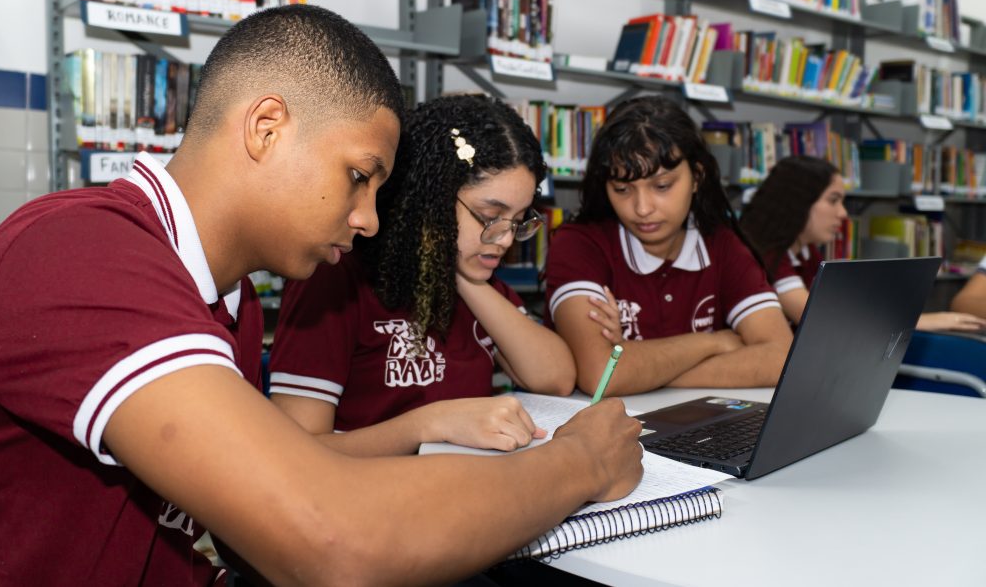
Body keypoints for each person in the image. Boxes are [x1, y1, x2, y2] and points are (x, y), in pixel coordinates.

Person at [0, 4, 643, 586]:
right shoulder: (85, 255)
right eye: (358, 175)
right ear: (265, 128)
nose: (372, 219)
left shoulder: (231, 296)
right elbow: (328, 538)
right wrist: (577, 463)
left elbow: (275, 499)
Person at [269, 94, 576, 455]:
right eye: (489, 217)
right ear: (431, 199)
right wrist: (431, 424)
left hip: (456, 490)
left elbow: (556, 378)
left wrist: (464, 274)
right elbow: (296, 454)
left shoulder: (476, 279)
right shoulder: (337, 281)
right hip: (362, 496)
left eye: (519, 220)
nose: (506, 239)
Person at [545, 96, 793, 396]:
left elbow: (781, 358)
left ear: (696, 177)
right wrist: (713, 343)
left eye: (662, 186)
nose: (642, 208)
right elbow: (602, 376)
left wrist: (636, 364)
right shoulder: (578, 244)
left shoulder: (721, 243)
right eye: (622, 189)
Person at [740, 154, 986, 333]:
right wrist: (921, 321)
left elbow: (836, 307)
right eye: (833, 200)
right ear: (798, 202)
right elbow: (816, 317)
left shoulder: (805, 250)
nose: (843, 213)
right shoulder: (768, 254)